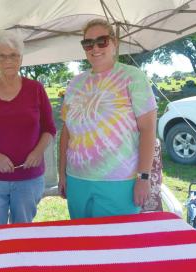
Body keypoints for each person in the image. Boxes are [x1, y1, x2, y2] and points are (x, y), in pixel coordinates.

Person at [59, 18, 157, 219]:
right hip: (78, 180)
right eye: (88, 43)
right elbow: (66, 133)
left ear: (114, 42)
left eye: (101, 41)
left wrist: (144, 177)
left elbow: (148, 130)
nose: (94, 48)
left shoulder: (133, 77)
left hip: (119, 182)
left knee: (117, 247)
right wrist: (63, 174)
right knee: (82, 243)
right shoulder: (75, 84)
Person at [0, 30, 56, 227]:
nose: (8, 60)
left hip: (28, 179)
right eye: (2, 56)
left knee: (22, 235)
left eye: (13, 55)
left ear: (21, 58)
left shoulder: (36, 89)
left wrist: (38, 152)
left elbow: (49, 129)